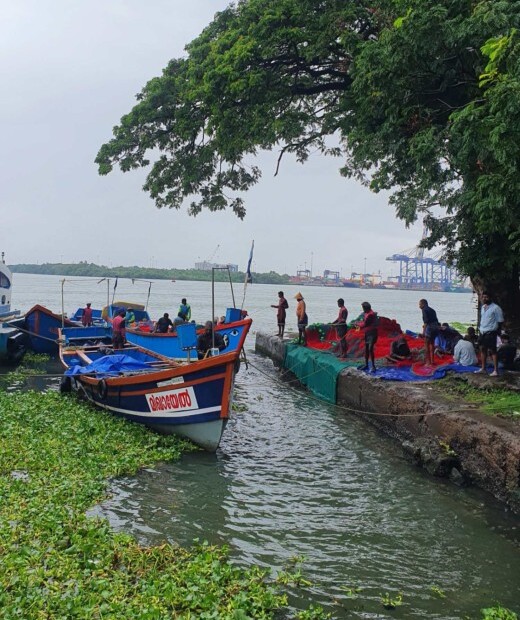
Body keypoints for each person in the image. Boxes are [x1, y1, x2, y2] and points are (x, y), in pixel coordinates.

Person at [476, 291, 504, 377]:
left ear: (490, 298)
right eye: (483, 297)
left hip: (491, 332)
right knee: (482, 349)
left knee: (493, 351)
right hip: (482, 331)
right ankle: (483, 368)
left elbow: (500, 321)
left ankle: (496, 370)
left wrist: (497, 332)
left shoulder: (496, 308)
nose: (484, 299)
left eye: (486, 297)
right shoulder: (483, 307)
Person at [357, 301, 378, 372]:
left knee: (370, 349)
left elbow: (365, 324)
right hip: (367, 333)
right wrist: (358, 323)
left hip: (372, 333)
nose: (363, 310)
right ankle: (366, 364)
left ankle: (373, 366)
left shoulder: (371, 315)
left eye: (363, 308)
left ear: (366, 308)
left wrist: (357, 324)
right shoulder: (366, 313)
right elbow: (364, 321)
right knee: (366, 348)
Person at [419, 298, 440, 366]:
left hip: (430, 328)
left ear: (423, 304)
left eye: (420, 304)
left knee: (427, 345)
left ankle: (428, 362)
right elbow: (436, 321)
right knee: (432, 344)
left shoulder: (424, 310)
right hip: (435, 327)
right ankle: (432, 360)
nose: (419, 306)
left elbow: (426, 323)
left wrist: (423, 333)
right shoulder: (432, 310)